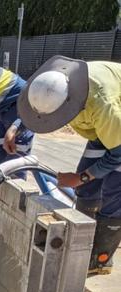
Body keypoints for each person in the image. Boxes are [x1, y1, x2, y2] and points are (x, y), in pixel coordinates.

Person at [18, 56, 121, 275]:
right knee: (87, 187)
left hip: (118, 134)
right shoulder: (53, 83)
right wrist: (17, 128)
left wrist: (80, 177)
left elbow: (118, 154)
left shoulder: (104, 105)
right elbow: (36, 109)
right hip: (106, 130)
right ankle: (82, 244)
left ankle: (100, 259)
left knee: (115, 191)